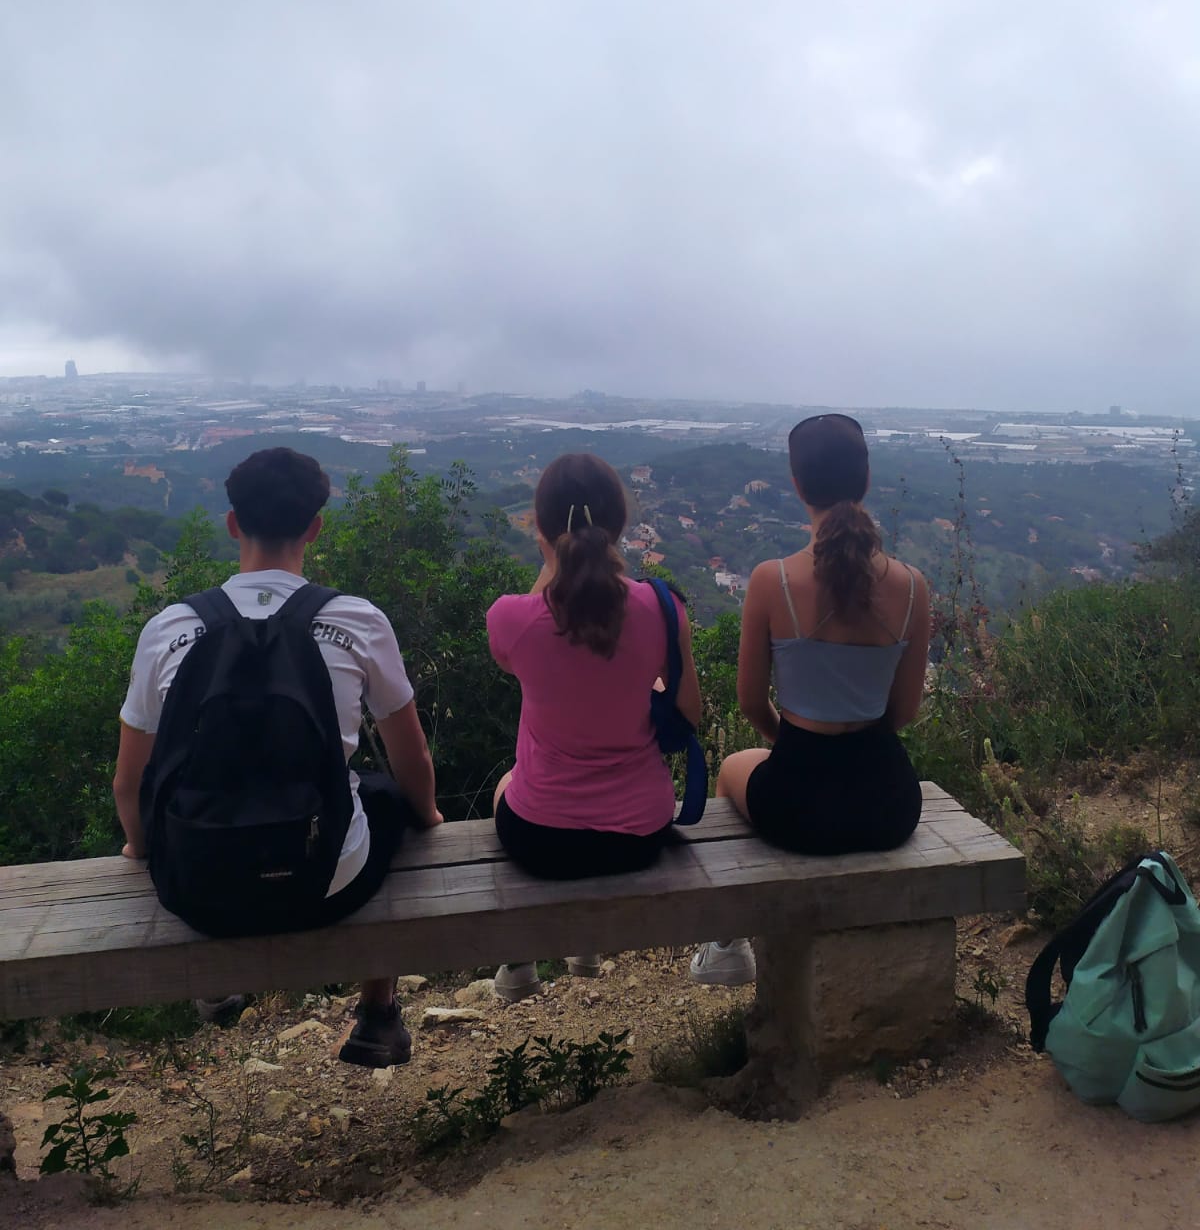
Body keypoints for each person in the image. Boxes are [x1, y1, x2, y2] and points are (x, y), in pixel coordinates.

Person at [113, 446, 441, 1068]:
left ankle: (217, 982)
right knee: (382, 797)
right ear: (314, 528)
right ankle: (377, 1011)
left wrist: (141, 848)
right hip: (324, 882)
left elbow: (128, 783)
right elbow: (412, 759)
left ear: (232, 524)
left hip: (198, 888)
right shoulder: (358, 621)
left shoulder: (168, 630)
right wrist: (426, 816)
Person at [690, 413, 931, 987]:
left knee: (731, 768)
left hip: (796, 808)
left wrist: (794, 745)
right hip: (890, 805)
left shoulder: (771, 580)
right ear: (866, 480)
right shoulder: (913, 587)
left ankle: (726, 946)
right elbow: (903, 713)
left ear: (797, 485)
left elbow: (751, 702)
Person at [486, 451, 702, 1001]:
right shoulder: (664, 608)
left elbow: (521, 653)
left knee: (506, 784)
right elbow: (690, 713)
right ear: (620, 527)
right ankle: (583, 949)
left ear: (540, 530)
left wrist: (554, 561)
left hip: (541, 839)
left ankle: (519, 961)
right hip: (641, 833)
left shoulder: (511, 617)